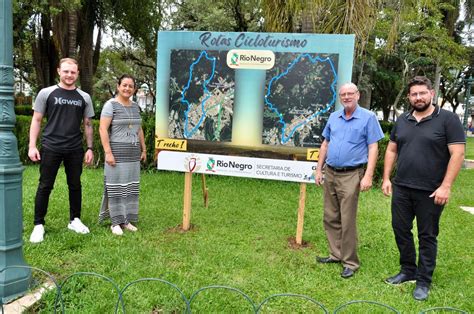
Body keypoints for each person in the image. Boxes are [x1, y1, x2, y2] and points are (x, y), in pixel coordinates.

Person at [382, 76, 465, 301]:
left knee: (427, 235)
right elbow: (391, 150)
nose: (418, 97)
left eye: (422, 93)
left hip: (431, 191)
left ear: (431, 93)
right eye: (414, 94)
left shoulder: (448, 119)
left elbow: (457, 154)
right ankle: (408, 270)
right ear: (409, 97)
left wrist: (445, 187)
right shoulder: (403, 119)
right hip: (402, 187)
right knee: (400, 229)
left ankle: (423, 281)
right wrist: (387, 178)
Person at [315, 82, 384, 278]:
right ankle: (335, 254)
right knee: (330, 216)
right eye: (343, 94)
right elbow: (325, 144)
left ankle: (350, 262)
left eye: (350, 93)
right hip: (331, 172)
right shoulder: (333, 117)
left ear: (358, 95)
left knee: (347, 219)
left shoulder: (368, 118)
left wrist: (368, 175)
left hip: (351, 175)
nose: (346, 97)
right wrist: (319, 170)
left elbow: (373, 147)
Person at [28, 58, 94, 243]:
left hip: (74, 148)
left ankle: (75, 220)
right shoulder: (46, 93)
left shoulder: (84, 97)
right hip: (51, 146)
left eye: (73, 72)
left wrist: (90, 148)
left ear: (77, 73)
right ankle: (38, 225)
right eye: (66, 71)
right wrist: (32, 146)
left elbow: (88, 124)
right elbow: (37, 120)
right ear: (59, 71)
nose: (69, 75)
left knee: (75, 185)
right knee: (45, 185)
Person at [98, 74, 146, 235]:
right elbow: (103, 129)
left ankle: (126, 220)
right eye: (124, 85)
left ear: (134, 89)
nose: (127, 88)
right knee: (115, 187)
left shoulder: (135, 106)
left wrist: (144, 149)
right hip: (116, 154)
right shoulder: (110, 105)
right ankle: (114, 222)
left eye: (130, 86)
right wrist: (108, 153)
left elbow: (139, 129)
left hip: (132, 155)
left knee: (130, 187)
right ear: (118, 86)